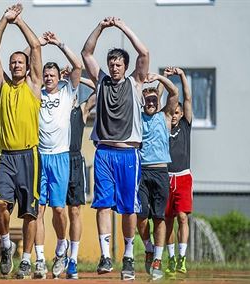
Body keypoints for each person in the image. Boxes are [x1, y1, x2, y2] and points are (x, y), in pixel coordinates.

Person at [81, 16, 149, 281]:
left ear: (125, 66)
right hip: (104, 153)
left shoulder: (134, 83)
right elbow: (86, 52)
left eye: (118, 63)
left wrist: (122, 27)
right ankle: (105, 255)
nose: (114, 67)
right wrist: (100, 27)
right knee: (103, 205)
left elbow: (143, 52)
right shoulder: (101, 82)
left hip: (128, 153)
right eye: (111, 63)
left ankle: (129, 256)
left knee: (129, 208)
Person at [0, 3, 42, 279]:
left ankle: (27, 259)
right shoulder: (3, 86)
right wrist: (4, 20)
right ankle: (7, 245)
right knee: (0, 205)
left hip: (29, 156)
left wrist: (19, 21)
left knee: (31, 214)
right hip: (5, 156)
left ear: (27, 65)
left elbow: (36, 47)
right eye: (13, 62)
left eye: (21, 61)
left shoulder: (34, 86)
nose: (17, 65)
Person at [34, 32, 82, 279]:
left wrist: (59, 44)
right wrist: (37, 45)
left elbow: (78, 65)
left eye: (53, 75)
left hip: (61, 157)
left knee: (59, 210)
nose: (49, 78)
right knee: (38, 210)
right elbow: (27, 64)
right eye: (46, 75)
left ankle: (61, 247)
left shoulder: (67, 91)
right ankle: (40, 259)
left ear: (58, 77)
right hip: (40, 157)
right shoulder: (37, 93)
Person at [137, 73, 178, 281]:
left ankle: (158, 261)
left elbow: (174, 92)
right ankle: (148, 248)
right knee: (141, 216)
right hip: (141, 171)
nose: (151, 102)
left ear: (158, 101)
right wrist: (143, 83)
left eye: (154, 99)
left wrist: (161, 78)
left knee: (160, 217)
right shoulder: (138, 116)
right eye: (148, 100)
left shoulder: (166, 116)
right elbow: (133, 94)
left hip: (161, 171)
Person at [159, 67, 193, 278]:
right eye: (173, 112)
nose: (175, 116)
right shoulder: (162, 124)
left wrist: (181, 76)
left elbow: (187, 98)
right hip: (164, 177)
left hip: (183, 176)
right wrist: (164, 79)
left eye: (178, 113)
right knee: (167, 219)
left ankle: (182, 257)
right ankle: (170, 258)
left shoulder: (186, 125)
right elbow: (157, 99)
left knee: (182, 216)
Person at [65, 76, 96, 279]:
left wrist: (77, 78)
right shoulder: (50, 108)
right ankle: (57, 252)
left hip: (75, 161)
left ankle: (73, 259)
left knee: (75, 211)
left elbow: (99, 89)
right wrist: (59, 79)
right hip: (54, 160)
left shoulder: (81, 110)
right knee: (53, 210)